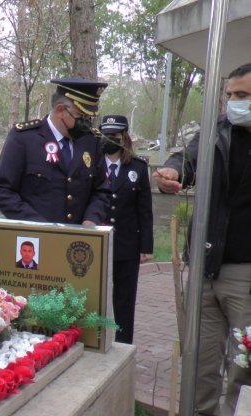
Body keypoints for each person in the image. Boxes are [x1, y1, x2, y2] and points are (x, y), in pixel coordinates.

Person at [153, 63, 251, 416]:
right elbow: (187, 158)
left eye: (242, 96)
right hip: (206, 269)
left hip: (245, 275)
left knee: (244, 368)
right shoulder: (215, 131)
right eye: (229, 96)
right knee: (201, 366)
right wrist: (173, 170)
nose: (233, 104)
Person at [0, 78, 110, 226]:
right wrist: (39, 226)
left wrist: (91, 218)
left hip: (78, 242)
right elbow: (2, 190)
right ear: (60, 110)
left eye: (89, 118)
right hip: (34, 239)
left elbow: (102, 190)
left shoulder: (91, 141)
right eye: (81, 117)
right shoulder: (24, 138)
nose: (86, 124)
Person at [98, 115, 153, 344]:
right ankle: (95, 340)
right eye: (105, 135)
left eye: (114, 136)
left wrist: (146, 246)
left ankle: (122, 344)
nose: (110, 139)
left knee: (124, 299)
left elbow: (144, 210)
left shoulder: (137, 168)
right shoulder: (92, 164)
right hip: (97, 243)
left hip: (126, 244)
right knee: (96, 296)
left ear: (124, 137)